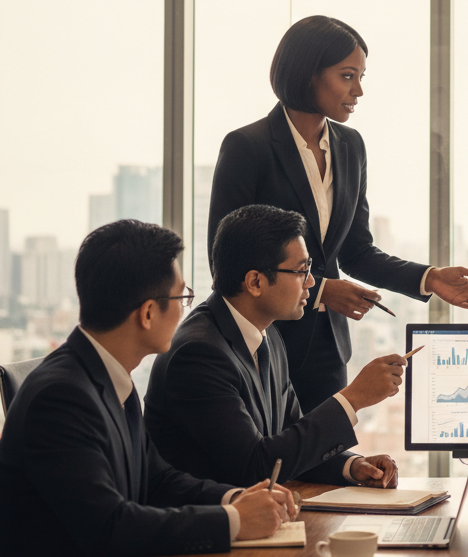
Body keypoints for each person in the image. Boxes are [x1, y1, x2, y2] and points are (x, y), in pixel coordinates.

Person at [208, 15, 468, 413]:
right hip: (261, 343)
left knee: (328, 448)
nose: (358, 90)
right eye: (347, 76)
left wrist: (429, 278)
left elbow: (356, 252)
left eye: (361, 77)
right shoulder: (248, 146)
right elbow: (225, 261)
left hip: (326, 348)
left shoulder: (350, 146)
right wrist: (321, 291)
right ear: (308, 73)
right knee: (267, 451)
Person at [0, 221, 296, 557]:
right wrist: (234, 522)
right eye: (182, 297)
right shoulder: (61, 397)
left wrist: (235, 498)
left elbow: (158, 480)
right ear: (148, 313)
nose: (187, 310)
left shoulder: (107, 376)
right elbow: (110, 526)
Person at [145, 204, 405, 488]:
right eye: (302, 270)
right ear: (255, 282)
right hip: (209, 513)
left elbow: (289, 442)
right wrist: (353, 398)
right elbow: (256, 466)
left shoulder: (268, 333)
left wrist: (352, 466)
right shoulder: (198, 354)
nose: (311, 282)